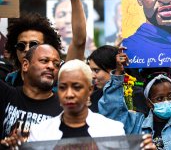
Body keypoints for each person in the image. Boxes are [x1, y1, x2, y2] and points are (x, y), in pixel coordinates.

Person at [1, 59, 156, 150]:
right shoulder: (39, 132)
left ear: (89, 90)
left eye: (77, 87)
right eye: (62, 87)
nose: (69, 94)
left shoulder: (112, 130)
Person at [5, 0, 86, 87]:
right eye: (21, 46)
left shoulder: (59, 76)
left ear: (49, 47)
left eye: (34, 44)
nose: (27, 49)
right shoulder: (10, 81)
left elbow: (79, 42)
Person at [0, 44, 62, 142]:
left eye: (56, 64)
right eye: (44, 61)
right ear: (25, 65)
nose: (51, 66)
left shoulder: (64, 109)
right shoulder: (5, 95)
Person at [86, 45, 118, 112]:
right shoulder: (92, 97)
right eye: (91, 70)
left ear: (113, 69)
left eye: (96, 70)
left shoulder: (133, 95)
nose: (92, 76)